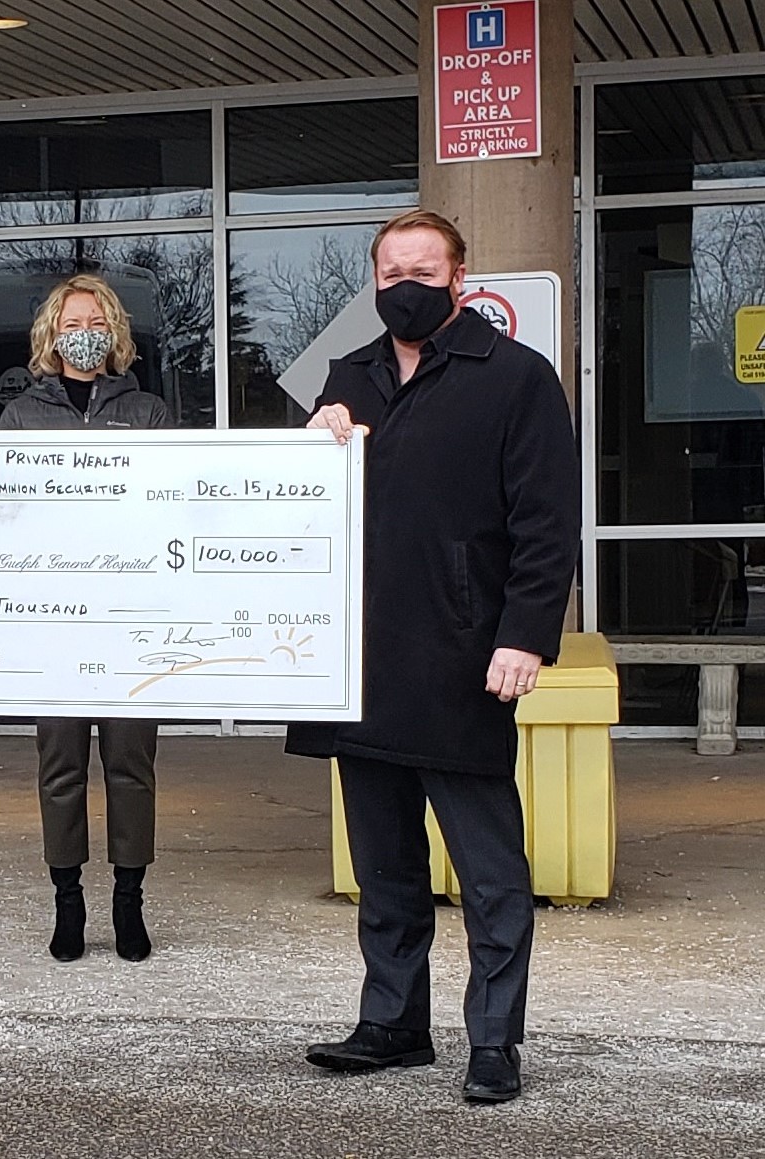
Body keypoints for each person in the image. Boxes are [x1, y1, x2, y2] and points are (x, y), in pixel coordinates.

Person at [285, 210, 579, 1104]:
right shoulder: (348, 378)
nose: (404, 283)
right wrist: (312, 440)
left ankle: (494, 1040)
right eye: (389, 269)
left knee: (491, 872)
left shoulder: (517, 379)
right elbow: (292, 509)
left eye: (422, 266)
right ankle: (393, 1023)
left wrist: (525, 634)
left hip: (465, 658)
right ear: (373, 280)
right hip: (360, 662)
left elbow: (545, 523)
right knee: (384, 866)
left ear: (460, 274)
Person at [0, 273, 171, 963]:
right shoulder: (21, 418)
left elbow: (169, 504)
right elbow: (3, 515)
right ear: (51, 332)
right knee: (60, 762)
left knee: (133, 762)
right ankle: (66, 900)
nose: (84, 330)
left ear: (115, 331)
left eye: (96, 319)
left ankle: (129, 902)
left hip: (130, 616)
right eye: (73, 320)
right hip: (55, 619)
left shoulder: (149, 411)